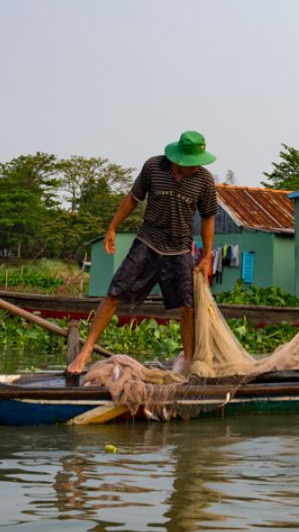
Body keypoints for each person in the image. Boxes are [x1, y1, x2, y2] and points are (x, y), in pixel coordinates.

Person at [66, 131, 218, 379]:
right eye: (188, 163)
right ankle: (86, 350)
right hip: (147, 243)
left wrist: (207, 255)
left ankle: (189, 360)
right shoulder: (154, 167)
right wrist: (112, 227)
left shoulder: (204, 180)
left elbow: (208, 219)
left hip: (179, 249)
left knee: (187, 306)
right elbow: (132, 198)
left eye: (197, 163)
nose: (193, 168)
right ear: (176, 158)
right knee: (114, 293)